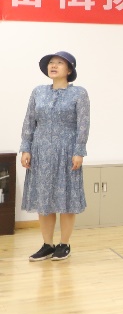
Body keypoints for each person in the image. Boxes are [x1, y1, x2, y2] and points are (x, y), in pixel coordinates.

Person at [21, 51, 91, 262]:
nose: (53, 65)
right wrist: (26, 148)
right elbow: (29, 121)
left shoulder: (79, 93)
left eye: (59, 63)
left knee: (67, 198)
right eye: (51, 63)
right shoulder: (38, 92)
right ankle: (47, 244)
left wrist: (79, 151)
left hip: (67, 152)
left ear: (69, 70)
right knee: (44, 198)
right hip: (40, 151)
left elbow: (83, 125)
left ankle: (64, 244)